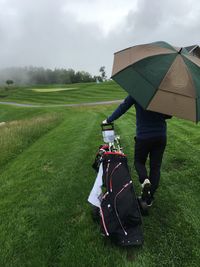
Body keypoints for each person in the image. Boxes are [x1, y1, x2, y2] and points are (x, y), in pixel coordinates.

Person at [102, 95, 172, 212]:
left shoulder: (136, 91)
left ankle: (144, 180)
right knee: (155, 167)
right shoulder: (161, 93)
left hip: (143, 137)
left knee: (139, 162)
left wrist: (108, 120)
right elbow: (169, 115)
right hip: (160, 136)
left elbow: (123, 107)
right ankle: (148, 199)